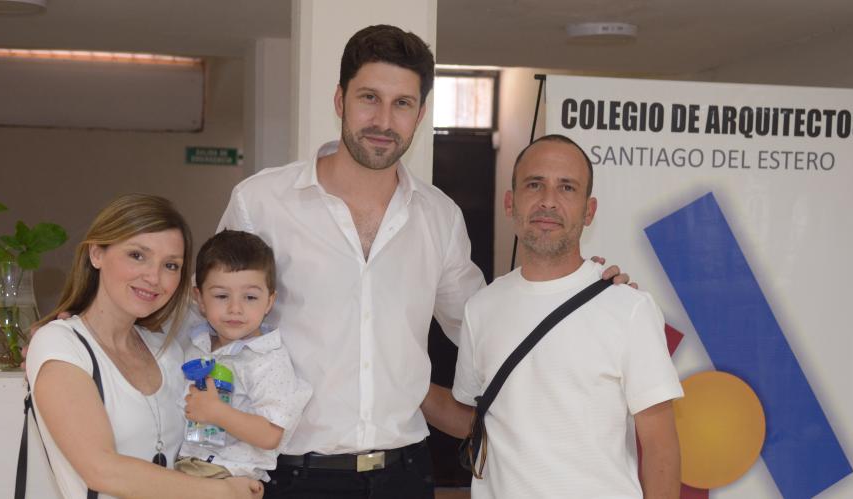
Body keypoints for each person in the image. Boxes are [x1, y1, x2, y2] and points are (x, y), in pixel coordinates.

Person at [208, 25, 631, 498]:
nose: (383, 121)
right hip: (290, 474)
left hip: (404, 474)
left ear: (421, 114)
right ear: (340, 99)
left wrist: (580, 293)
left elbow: (486, 324)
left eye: (403, 104)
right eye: (369, 98)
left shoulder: (439, 217)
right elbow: (206, 323)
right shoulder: (262, 202)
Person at [421, 135, 683, 498]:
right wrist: (398, 379)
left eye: (567, 188)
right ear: (510, 202)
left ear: (589, 211)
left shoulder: (629, 308)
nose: (548, 200)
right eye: (534, 184)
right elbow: (478, 421)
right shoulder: (481, 307)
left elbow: (660, 448)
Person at [25, 193, 263, 499]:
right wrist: (223, 492)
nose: (154, 277)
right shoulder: (61, 343)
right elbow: (101, 469)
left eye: (171, 265)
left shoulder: (168, 350)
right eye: (137, 255)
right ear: (96, 254)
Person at [176, 230, 312, 482]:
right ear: (200, 299)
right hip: (187, 463)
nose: (235, 308)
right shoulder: (195, 344)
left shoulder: (268, 360)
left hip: (228, 473)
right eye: (221, 296)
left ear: (269, 302)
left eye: (250, 297)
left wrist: (217, 412)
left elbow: (270, 435)